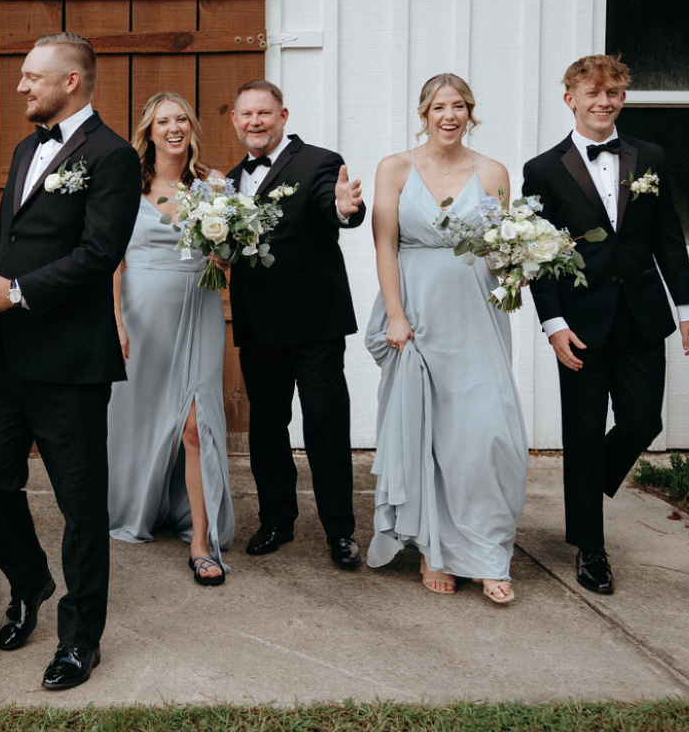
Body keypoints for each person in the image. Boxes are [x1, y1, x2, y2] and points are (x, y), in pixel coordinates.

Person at [0, 35, 139, 691]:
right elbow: (10, 237)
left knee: (81, 505)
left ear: (72, 81)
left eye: (32, 77)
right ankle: (30, 578)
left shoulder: (114, 156)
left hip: (71, 362)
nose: (20, 87)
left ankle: (78, 640)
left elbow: (98, 254)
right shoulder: (23, 150)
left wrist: (12, 294)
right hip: (10, 356)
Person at [522, 54, 689, 595]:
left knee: (643, 421)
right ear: (570, 99)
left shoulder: (651, 157)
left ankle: (587, 482)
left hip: (644, 318)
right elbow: (535, 253)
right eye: (592, 94)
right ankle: (590, 549)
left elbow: (667, 236)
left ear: (622, 99)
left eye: (613, 95)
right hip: (579, 324)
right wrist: (553, 323)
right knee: (580, 432)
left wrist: (687, 310)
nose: (603, 103)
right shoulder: (543, 169)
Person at [364, 74, 525, 604]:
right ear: (424, 113)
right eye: (439, 107)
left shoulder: (494, 172)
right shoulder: (395, 168)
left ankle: (489, 554)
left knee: (485, 437)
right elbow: (385, 246)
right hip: (417, 313)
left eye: (459, 106)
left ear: (470, 112)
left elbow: (507, 250)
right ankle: (435, 550)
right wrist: (395, 314)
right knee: (428, 435)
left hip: (478, 316)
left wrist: (529, 261)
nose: (449, 115)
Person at [226, 80, 366, 570]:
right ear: (236, 121)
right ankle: (276, 520)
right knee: (267, 428)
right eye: (246, 115)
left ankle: (340, 531)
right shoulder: (227, 181)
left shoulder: (320, 162)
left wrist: (345, 208)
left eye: (264, 113)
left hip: (315, 325)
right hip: (259, 327)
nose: (255, 122)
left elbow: (335, 202)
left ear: (283, 116)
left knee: (326, 426)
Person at [107, 92, 233, 586]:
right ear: (149, 131)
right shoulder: (127, 187)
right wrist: (115, 320)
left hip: (199, 310)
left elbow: (225, 264)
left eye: (181, 119)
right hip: (142, 317)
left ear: (192, 129)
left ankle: (201, 540)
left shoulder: (214, 185)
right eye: (163, 121)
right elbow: (113, 259)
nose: (173, 128)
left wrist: (224, 257)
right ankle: (139, 504)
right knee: (139, 418)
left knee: (195, 427)